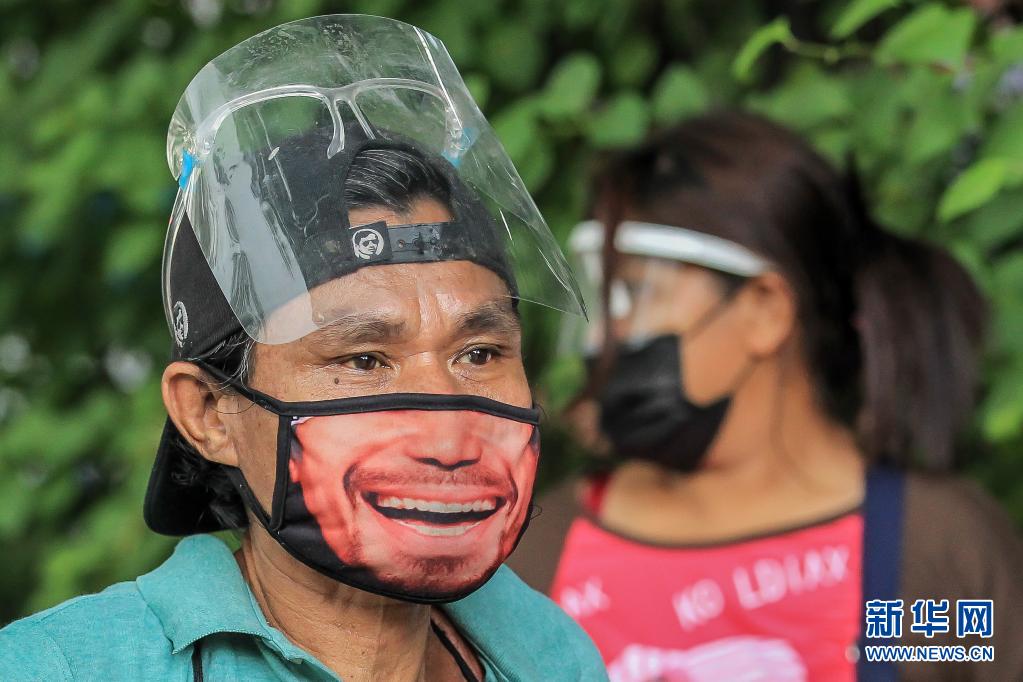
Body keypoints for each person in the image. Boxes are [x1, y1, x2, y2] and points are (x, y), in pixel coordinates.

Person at [0, 15, 607, 681]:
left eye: (480, 354)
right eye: (363, 360)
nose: (449, 439)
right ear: (207, 412)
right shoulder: (61, 668)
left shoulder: (550, 656)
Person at [507, 111, 1023, 681]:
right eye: (604, 301)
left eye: (634, 293)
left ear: (766, 310)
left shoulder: (926, 556)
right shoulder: (546, 554)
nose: (603, 338)